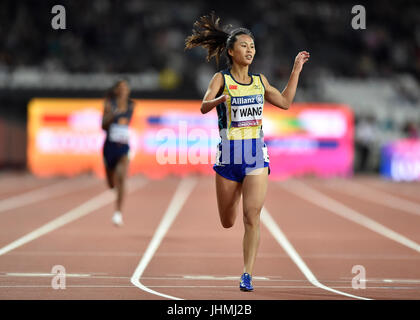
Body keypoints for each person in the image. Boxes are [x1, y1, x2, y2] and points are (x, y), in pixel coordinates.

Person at [185, 12, 309, 291]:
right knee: (228, 221)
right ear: (231, 51)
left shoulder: (260, 82)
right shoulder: (221, 78)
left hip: (255, 154)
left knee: (252, 216)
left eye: (253, 46)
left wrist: (296, 70)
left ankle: (247, 274)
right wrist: (220, 99)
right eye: (244, 46)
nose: (250, 50)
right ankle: (237, 188)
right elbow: (204, 106)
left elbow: (286, 103)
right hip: (228, 155)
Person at [101, 79, 134, 227]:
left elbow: (126, 122)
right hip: (109, 147)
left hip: (123, 147)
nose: (123, 90)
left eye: (125, 87)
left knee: (122, 178)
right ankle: (111, 177)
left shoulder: (131, 105)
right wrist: (112, 116)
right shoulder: (109, 104)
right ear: (116, 90)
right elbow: (103, 126)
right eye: (120, 87)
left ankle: (118, 213)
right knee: (111, 185)